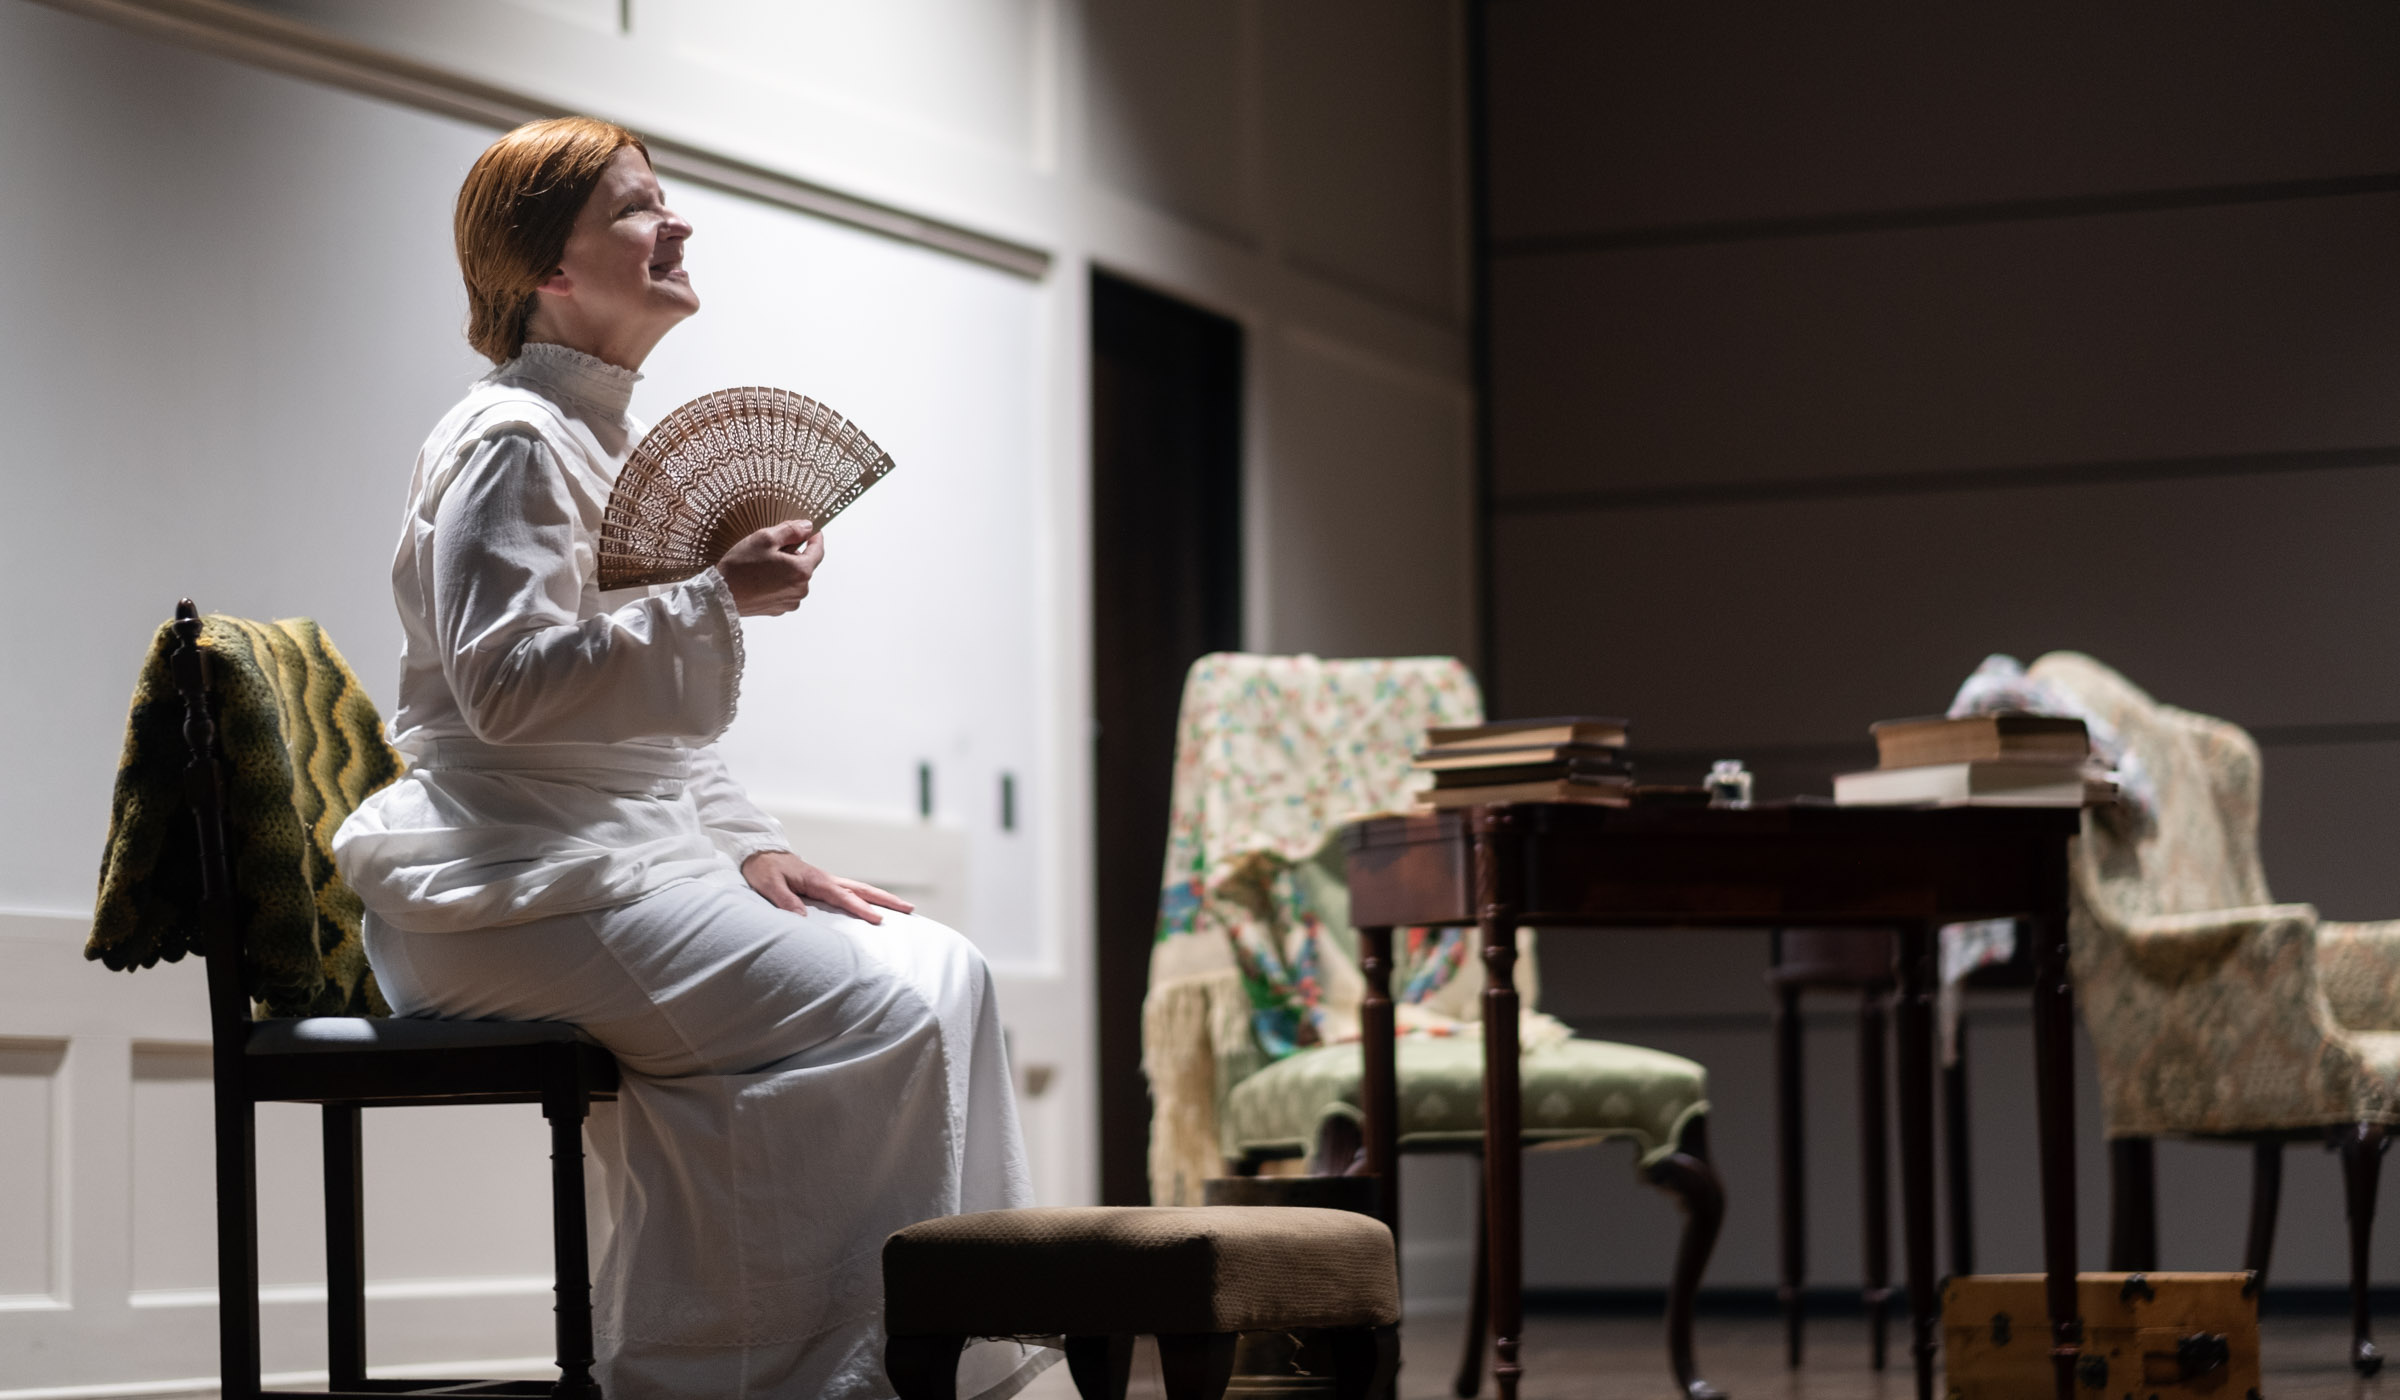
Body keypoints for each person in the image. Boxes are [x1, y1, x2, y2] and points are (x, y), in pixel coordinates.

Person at [332, 116, 1045, 1400]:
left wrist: (754, 839)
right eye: (637, 208)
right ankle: (746, 1374)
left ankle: (939, 1356)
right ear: (549, 266)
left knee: (948, 968)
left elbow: (642, 728)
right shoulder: (511, 441)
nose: (679, 224)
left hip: (608, 854)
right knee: (875, 1016)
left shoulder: (595, 437)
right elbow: (502, 690)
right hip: (514, 878)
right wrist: (715, 598)